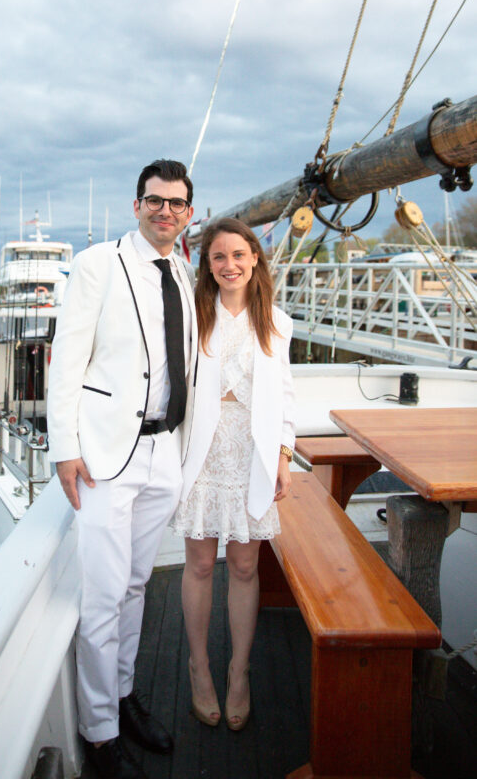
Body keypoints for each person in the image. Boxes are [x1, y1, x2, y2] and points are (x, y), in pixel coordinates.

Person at [48, 159, 196, 779]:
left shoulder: (185, 272)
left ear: (189, 211)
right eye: (155, 201)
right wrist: (64, 447)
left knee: (137, 584)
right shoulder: (97, 265)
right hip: (109, 456)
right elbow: (68, 358)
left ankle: (125, 693)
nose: (165, 211)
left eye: (177, 203)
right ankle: (101, 732)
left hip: (167, 452)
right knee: (105, 594)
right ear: (135, 205)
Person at [172, 217, 295, 732]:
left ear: (255, 260)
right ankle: (199, 668)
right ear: (208, 265)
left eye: (238, 255)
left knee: (245, 567)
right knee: (200, 565)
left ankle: (237, 672)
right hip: (202, 453)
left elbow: (286, 393)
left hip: (252, 454)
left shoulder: (278, 322)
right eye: (218, 257)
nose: (229, 265)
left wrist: (284, 453)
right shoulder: (193, 317)